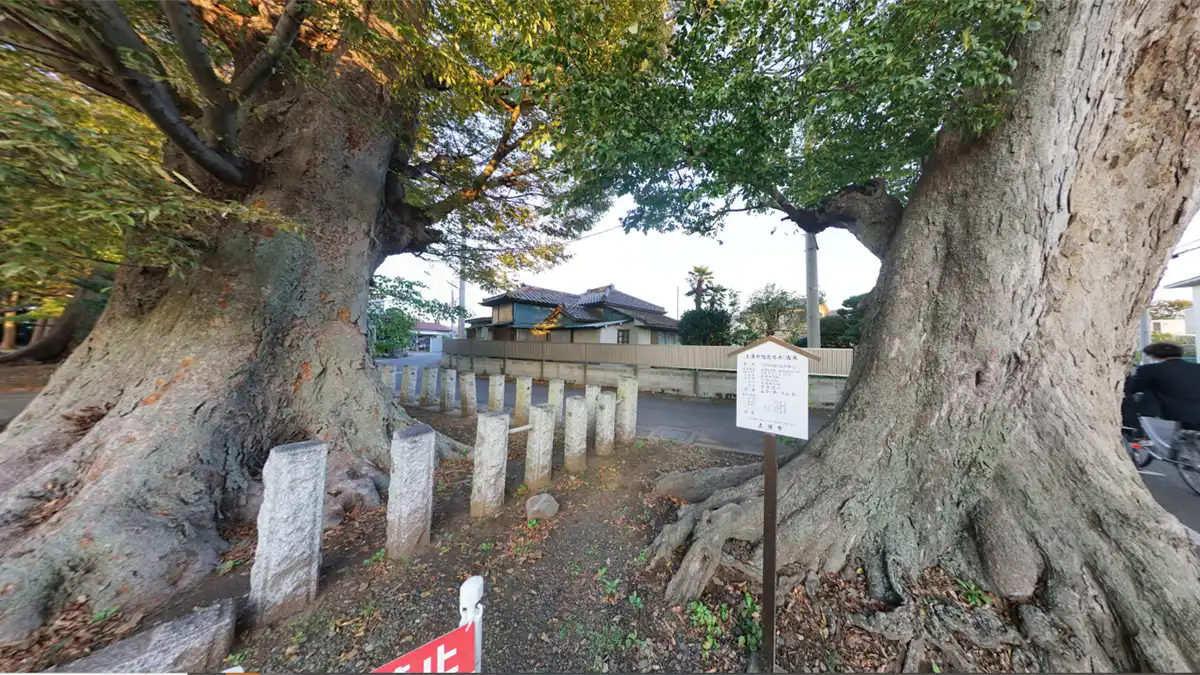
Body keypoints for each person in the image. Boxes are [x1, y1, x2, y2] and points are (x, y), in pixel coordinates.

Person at [1126, 342, 1200, 431]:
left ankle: (1135, 432)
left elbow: (1132, 388)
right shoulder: (1197, 368)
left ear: (1152, 355)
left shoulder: (1150, 369)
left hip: (1167, 419)